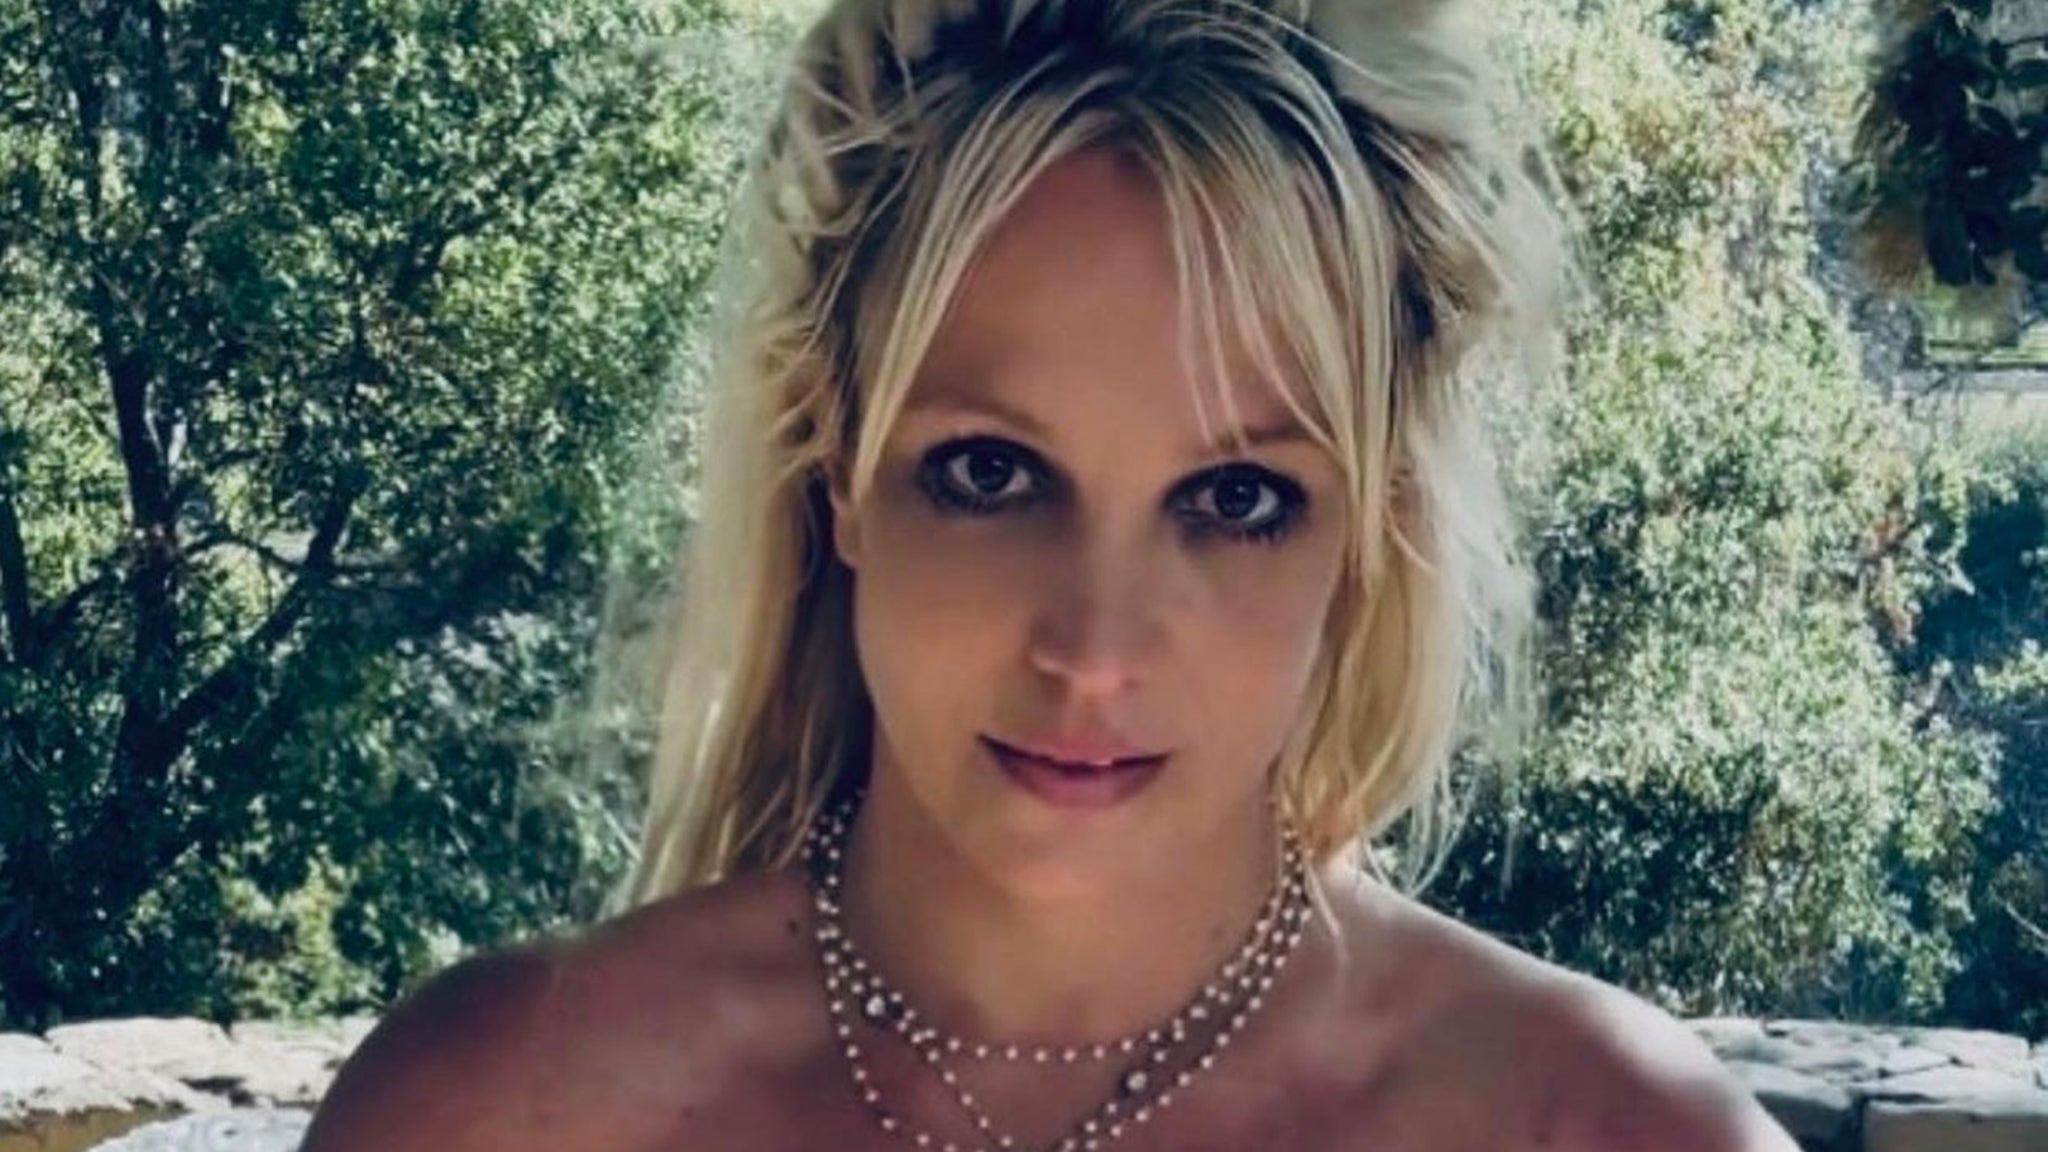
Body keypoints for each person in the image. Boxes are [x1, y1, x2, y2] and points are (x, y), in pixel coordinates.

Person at [302, 1, 1802, 1149]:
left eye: (1235, 498)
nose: (1092, 650)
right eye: (989, 474)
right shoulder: (502, 1111)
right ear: (837, 469)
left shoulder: (1611, 1133)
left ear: (1368, 527)